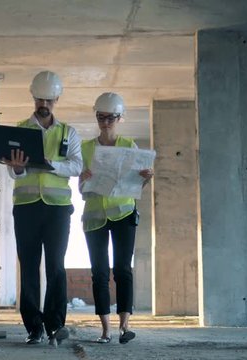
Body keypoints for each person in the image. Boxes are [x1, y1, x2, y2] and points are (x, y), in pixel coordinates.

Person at [2, 70, 82, 347]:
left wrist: (52, 165)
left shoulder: (68, 132)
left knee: (56, 267)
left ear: (56, 99)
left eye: (48, 99)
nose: (43, 103)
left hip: (58, 209)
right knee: (29, 268)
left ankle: (55, 324)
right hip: (26, 208)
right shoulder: (20, 129)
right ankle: (34, 328)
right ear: (33, 97)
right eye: (39, 98)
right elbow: (15, 174)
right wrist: (18, 169)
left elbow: (77, 166)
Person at [78, 92, 153, 345]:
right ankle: (105, 329)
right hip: (95, 216)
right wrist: (83, 180)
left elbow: (134, 189)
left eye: (111, 117)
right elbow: (81, 190)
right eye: (101, 117)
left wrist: (144, 180)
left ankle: (124, 327)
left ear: (120, 118)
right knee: (99, 272)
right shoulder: (86, 148)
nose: (106, 122)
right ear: (96, 116)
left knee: (122, 269)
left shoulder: (128, 146)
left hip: (123, 214)